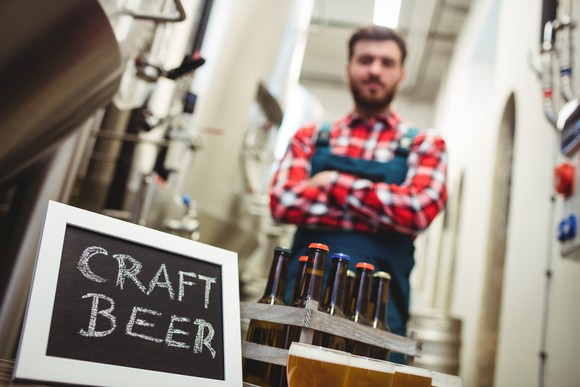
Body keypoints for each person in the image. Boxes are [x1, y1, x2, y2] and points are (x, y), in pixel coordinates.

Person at [268, 25, 448, 362]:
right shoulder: (309, 137)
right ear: (349, 68)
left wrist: (330, 182)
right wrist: (383, 209)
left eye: (386, 62)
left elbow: (418, 210)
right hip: (300, 308)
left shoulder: (425, 144)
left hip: (381, 317)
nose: (375, 70)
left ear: (401, 74)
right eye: (365, 60)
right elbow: (283, 202)